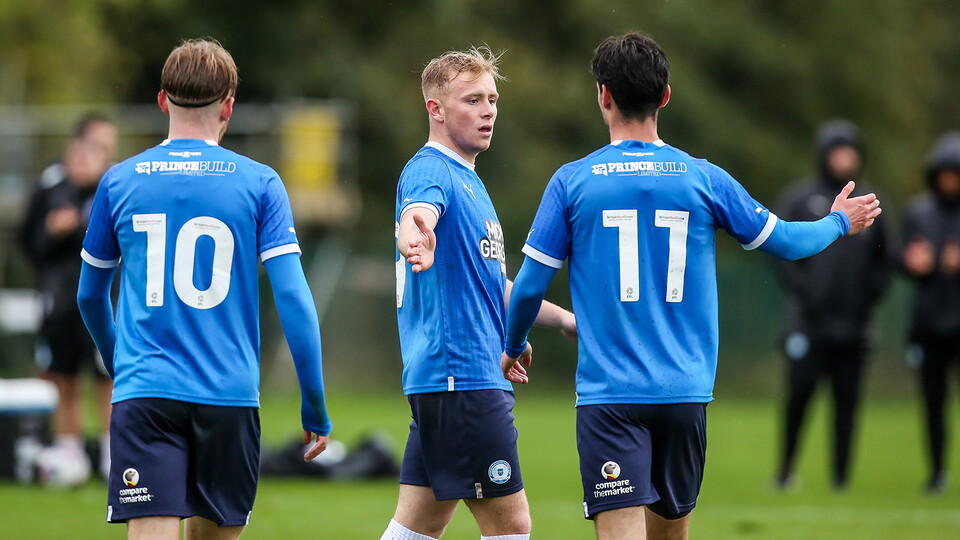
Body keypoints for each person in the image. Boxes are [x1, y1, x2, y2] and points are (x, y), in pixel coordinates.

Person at [501, 33, 881, 539]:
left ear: (602, 95)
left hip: (609, 397)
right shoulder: (704, 179)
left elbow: (527, 288)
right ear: (665, 97)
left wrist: (512, 344)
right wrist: (837, 222)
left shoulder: (572, 181)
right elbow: (789, 242)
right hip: (684, 394)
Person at [76, 38, 330, 540]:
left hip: (146, 390)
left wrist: (118, 358)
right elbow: (294, 299)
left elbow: (89, 295)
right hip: (229, 396)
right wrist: (313, 401)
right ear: (229, 107)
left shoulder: (118, 180)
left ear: (162, 100)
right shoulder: (261, 183)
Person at [384, 46, 576, 540]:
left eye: (492, 99)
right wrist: (414, 232)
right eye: (472, 99)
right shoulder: (432, 170)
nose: (488, 110)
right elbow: (418, 214)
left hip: (449, 381)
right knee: (511, 525)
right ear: (436, 108)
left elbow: (492, 285)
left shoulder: (469, 180)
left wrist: (564, 321)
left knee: (421, 523)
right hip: (462, 378)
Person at [774, 119, 893, 491]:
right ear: (823, 155)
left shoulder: (871, 204)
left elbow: (885, 261)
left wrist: (865, 299)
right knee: (798, 399)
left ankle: (840, 479)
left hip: (854, 327)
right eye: (836, 151)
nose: (843, 159)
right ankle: (785, 471)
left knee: (847, 407)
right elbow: (779, 252)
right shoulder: (799, 198)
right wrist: (807, 293)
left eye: (850, 152)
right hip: (808, 324)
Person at [19, 113, 118, 482]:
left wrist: (76, 227)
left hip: (101, 301)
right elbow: (30, 243)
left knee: (106, 376)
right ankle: (69, 450)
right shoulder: (50, 188)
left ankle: (113, 450)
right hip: (59, 301)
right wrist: (52, 232)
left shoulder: (113, 189)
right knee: (63, 376)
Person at [902, 131, 960, 494]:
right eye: (944, 174)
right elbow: (896, 256)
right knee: (933, 404)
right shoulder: (918, 212)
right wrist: (911, 263)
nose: (949, 181)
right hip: (929, 324)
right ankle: (938, 472)